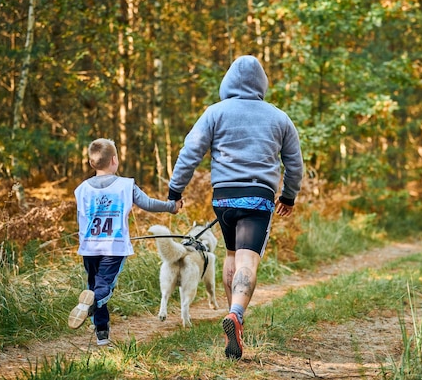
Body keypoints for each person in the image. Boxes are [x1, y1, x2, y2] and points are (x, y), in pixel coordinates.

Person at [167, 55, 304, 360]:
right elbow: (294, 163)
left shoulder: (215, 112)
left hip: (224, 199)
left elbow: (190, 151)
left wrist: (175, 190)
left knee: (231, 254)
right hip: (258, 197)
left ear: (227, 81)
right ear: (262, 83)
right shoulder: (279, 117)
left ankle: (233, 322)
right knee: (248, 260)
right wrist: (289, 196)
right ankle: (237, 315)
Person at [69, 138, 182, 346]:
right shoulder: (125, 185)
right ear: (114, 160)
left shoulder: (81, 189)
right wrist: (171, 206)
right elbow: (148, 203)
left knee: (94, 285)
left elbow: (81, 219)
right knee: (103, 288)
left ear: (91, 162)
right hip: (114, 247)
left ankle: (101, 334)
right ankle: (90, 306)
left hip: (89, 247)